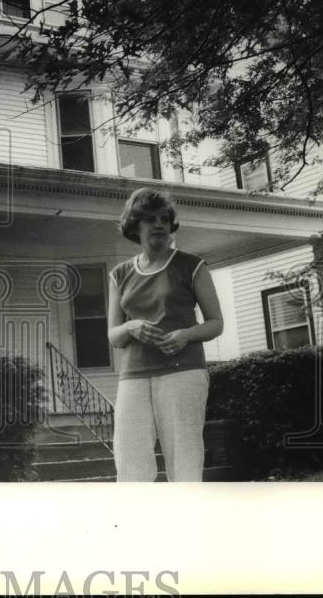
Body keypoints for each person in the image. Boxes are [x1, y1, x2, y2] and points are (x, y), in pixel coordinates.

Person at [107, 188, 224, 482]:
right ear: (135, 226)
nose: (158, 224)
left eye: (163, 218)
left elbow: (215, 323)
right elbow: (114, 336)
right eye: (149, 219)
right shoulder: (120, 274)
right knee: (130, 458)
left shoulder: (191, 265)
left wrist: (185, 335)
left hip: (182, 372)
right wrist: (131, 327)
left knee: (184, 457)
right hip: (134, 375)